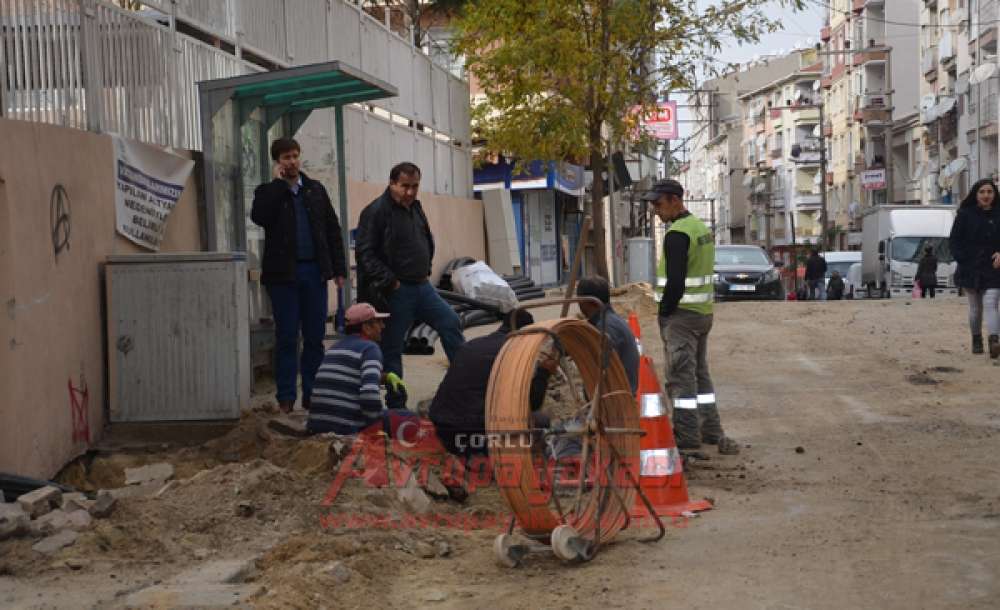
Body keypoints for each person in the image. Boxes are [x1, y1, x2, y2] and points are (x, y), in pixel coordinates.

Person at [356, 162, 465, 407]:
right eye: (405, 186)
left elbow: (425, 238)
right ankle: (397, 405)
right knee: (392, 348)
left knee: (450, 322)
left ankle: (464, 384)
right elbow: (365, 253)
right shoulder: (376, 211)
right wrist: (390, 281)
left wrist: (425, 268)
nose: (410, 192)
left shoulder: (415, 207)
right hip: (396, 291)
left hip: (423, 287)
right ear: (392, 183)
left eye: (415, 186)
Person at [642, 179, 739, 455]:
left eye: (659, 204)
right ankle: (710, 429)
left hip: (681, 316)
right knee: (699, 373)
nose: (656, 211)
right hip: (702, 314)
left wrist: (664, 311)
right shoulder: (699, 229)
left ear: (675, 200)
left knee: (680, 375)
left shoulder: (677, 234)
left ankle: (686, 434)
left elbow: (675, 282)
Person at [251, 138, 347, 413]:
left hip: (314, 272)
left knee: (315, 337)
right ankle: (285, 398)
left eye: (294, 156)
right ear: (277, 162)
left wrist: (339, 269)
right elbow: (260, 217)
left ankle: (313, 394)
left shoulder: (315, 190)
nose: (291, 161)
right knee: (287, 337)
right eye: (285, 157)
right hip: (283, 277)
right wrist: (279, 186)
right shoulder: (268, 192)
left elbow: (332, 229)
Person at [429, 310, 551, 457]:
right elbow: (532, 403)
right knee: (541, 421)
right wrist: (544, 373)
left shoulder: (471, 344)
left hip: (441, 427)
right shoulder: (513, 353)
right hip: (474, 436)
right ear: (526, 334)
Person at [307, 303, 404, 435]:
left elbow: (347, 378)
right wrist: (376, 427)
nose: (383, 326)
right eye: (378, 322)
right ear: (366, 327)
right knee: (409, 419)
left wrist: (385, 377)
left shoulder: (334, 348)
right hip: (347, 427)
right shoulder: (370, 349)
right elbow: (369, 396)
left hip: (317, 425)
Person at [949, 179, 1000, 358]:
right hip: (970, 267)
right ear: (976, 195)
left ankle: (994, 340)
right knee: (975, 307)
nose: (986, 195)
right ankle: (976, 338)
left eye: (990, 192)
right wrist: (964, 259)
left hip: (994, 268)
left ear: (994, 194)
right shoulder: (964, 214)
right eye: (982, 192)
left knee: (991, 302)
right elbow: (954, 241)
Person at [575, 276, 640, 393]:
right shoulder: (611, 320)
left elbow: (601, 371)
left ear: (586, 301)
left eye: (579, 299)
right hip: (621, 395)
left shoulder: (605, 328)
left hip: (615, 400)